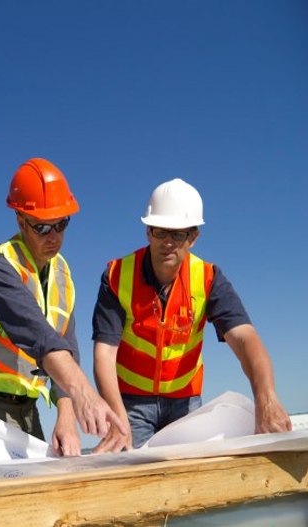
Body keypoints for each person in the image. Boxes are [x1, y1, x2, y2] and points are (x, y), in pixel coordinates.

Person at [92, 178, 292, 452]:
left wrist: (266, 399)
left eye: (178, 234)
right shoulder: (116, 276)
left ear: (193, 237)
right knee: (131, 475)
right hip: (130, 403)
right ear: (148, 231)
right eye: (161, 232)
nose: (168, 243)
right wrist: (116, 417)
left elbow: (245, 338)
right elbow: (104, 353)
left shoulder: (209, 279)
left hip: (185, 403)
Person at [0, 157, 124, 467]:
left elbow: (66, 347)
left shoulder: (62, 274)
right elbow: (40, 337)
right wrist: (84, 392)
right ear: (20, 220)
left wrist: (67, 414)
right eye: (42, 226)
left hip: (27, 405)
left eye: (61, 224)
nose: (53, 235)